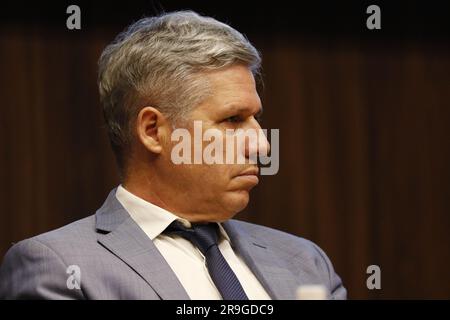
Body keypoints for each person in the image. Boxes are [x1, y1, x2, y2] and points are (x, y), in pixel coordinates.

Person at [0, 11, 346, 300]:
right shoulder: (59, 267)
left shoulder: (305, 262)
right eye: (233, 120)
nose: (262, 145)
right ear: (153, 131)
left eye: (256, 118)